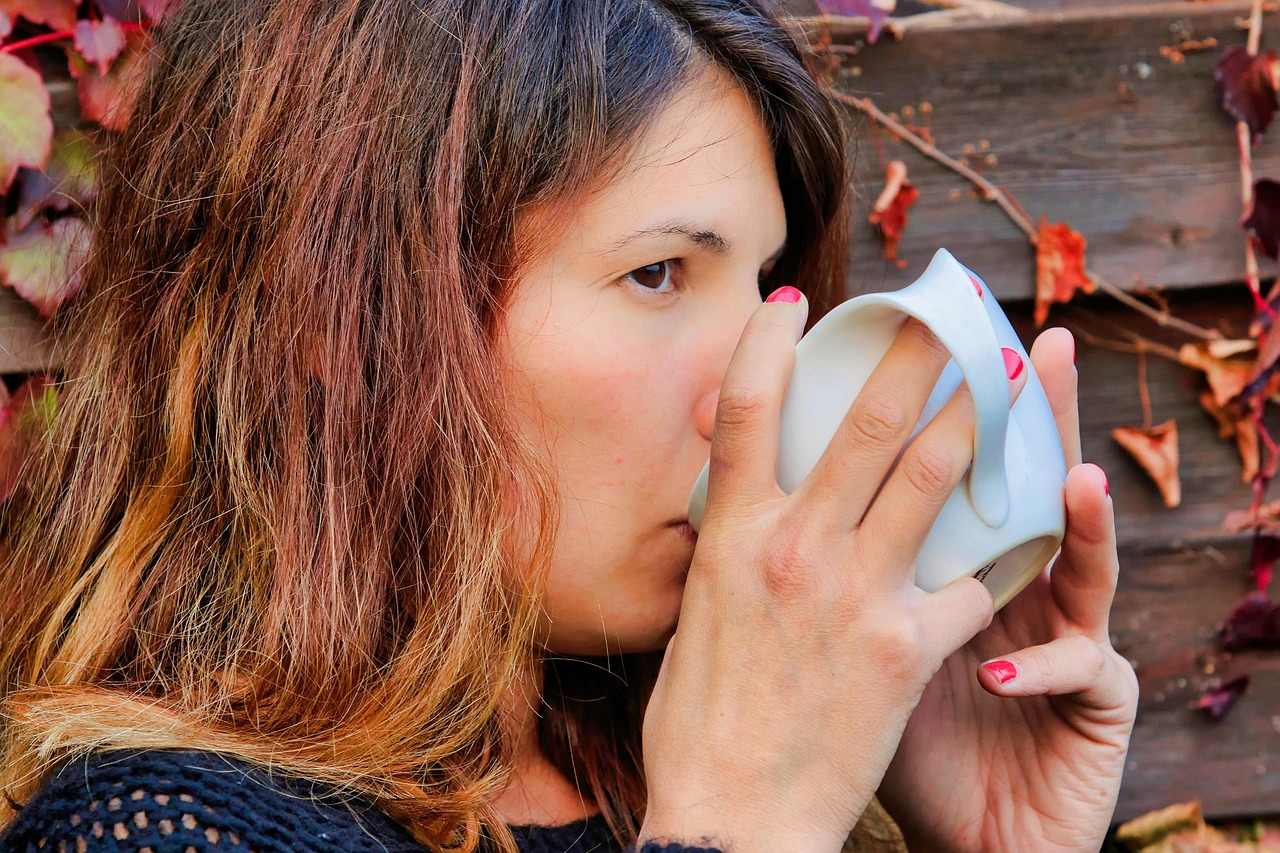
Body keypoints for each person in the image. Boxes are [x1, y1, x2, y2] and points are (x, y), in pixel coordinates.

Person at [0, 0, 1139, 851]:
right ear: (341, 320)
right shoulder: (154, 829)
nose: (762, 382)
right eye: (655, 274)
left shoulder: (681, 776)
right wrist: (736, 826)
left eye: (769, 286)